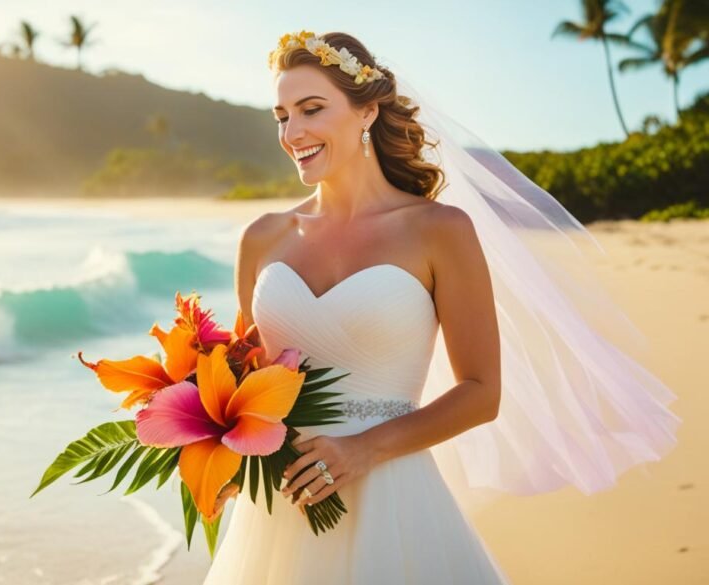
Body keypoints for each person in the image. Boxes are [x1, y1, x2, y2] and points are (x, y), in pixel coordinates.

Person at [200, 31, 680, 584]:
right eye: (282, 117)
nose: (292, 133)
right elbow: (247, 383)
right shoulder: (261, 238)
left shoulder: (439, 230)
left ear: (366, 111)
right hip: (283, 506)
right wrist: (219, 458)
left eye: (311, 109)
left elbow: (481, 391)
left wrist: (364, 449)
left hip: (392, 496)